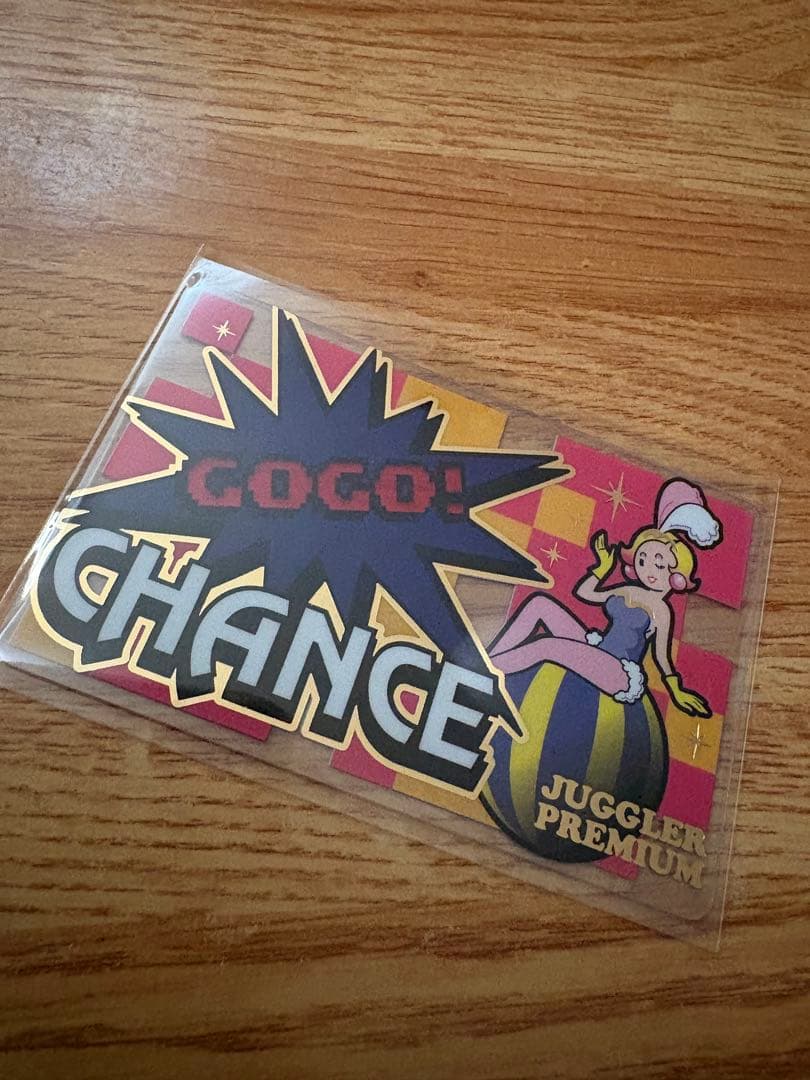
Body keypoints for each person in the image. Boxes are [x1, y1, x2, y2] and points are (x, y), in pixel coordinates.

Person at [489, 479, 722, 718]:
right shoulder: (628, 590)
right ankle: (486, 661)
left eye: (660, 565)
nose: (649, 570)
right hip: (597, 648)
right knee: (540, 605)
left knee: (547, 646)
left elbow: (661, 656)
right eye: (642, 560)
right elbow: (586, 593)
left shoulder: (661, 610)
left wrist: (676, 690)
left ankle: (489, 677)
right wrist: (603, 568)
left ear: (677, 577)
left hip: (618, 670)